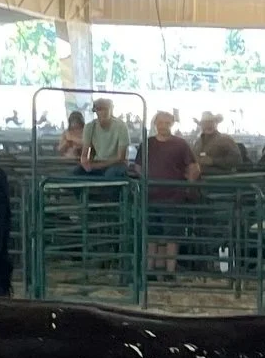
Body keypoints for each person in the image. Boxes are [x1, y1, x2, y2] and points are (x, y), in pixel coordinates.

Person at [143, 110, 200, 277]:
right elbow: (139, 167)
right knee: (152, 235)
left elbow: (193, 167)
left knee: (171, 235)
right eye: (160, 123)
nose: (163, 126)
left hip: (173, 196)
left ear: (172, 125)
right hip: (151, 195)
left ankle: (169, 271)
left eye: (167, 123)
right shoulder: (147, 144)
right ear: (155, 124)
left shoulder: (181, 144)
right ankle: (151, 270)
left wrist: (188, 185)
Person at [81, 97, 129, 175]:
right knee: (77, 171)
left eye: (106, 108)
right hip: (97, 162)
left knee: (110, 174)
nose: (103, 112)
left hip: (117, 164)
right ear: (95, 111)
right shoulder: (89, 127)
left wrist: (98, 166)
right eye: (99, 109)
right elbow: (84, 154)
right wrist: (85, 163)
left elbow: (121, 158)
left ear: (111, 109)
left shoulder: (121, 126)